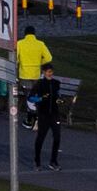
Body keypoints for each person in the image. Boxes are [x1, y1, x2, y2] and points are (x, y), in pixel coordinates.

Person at [14, 27, 66, 164]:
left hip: (24, 74)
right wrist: (39, 63)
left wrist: (20, 64)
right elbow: (48, 57)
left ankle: (33, 117)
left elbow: (15, 58)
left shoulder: (19, 44)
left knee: (30, 98)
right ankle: (35, 117)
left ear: (25, 34)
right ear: (34, 34)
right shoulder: (40, 44)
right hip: (37, 74)